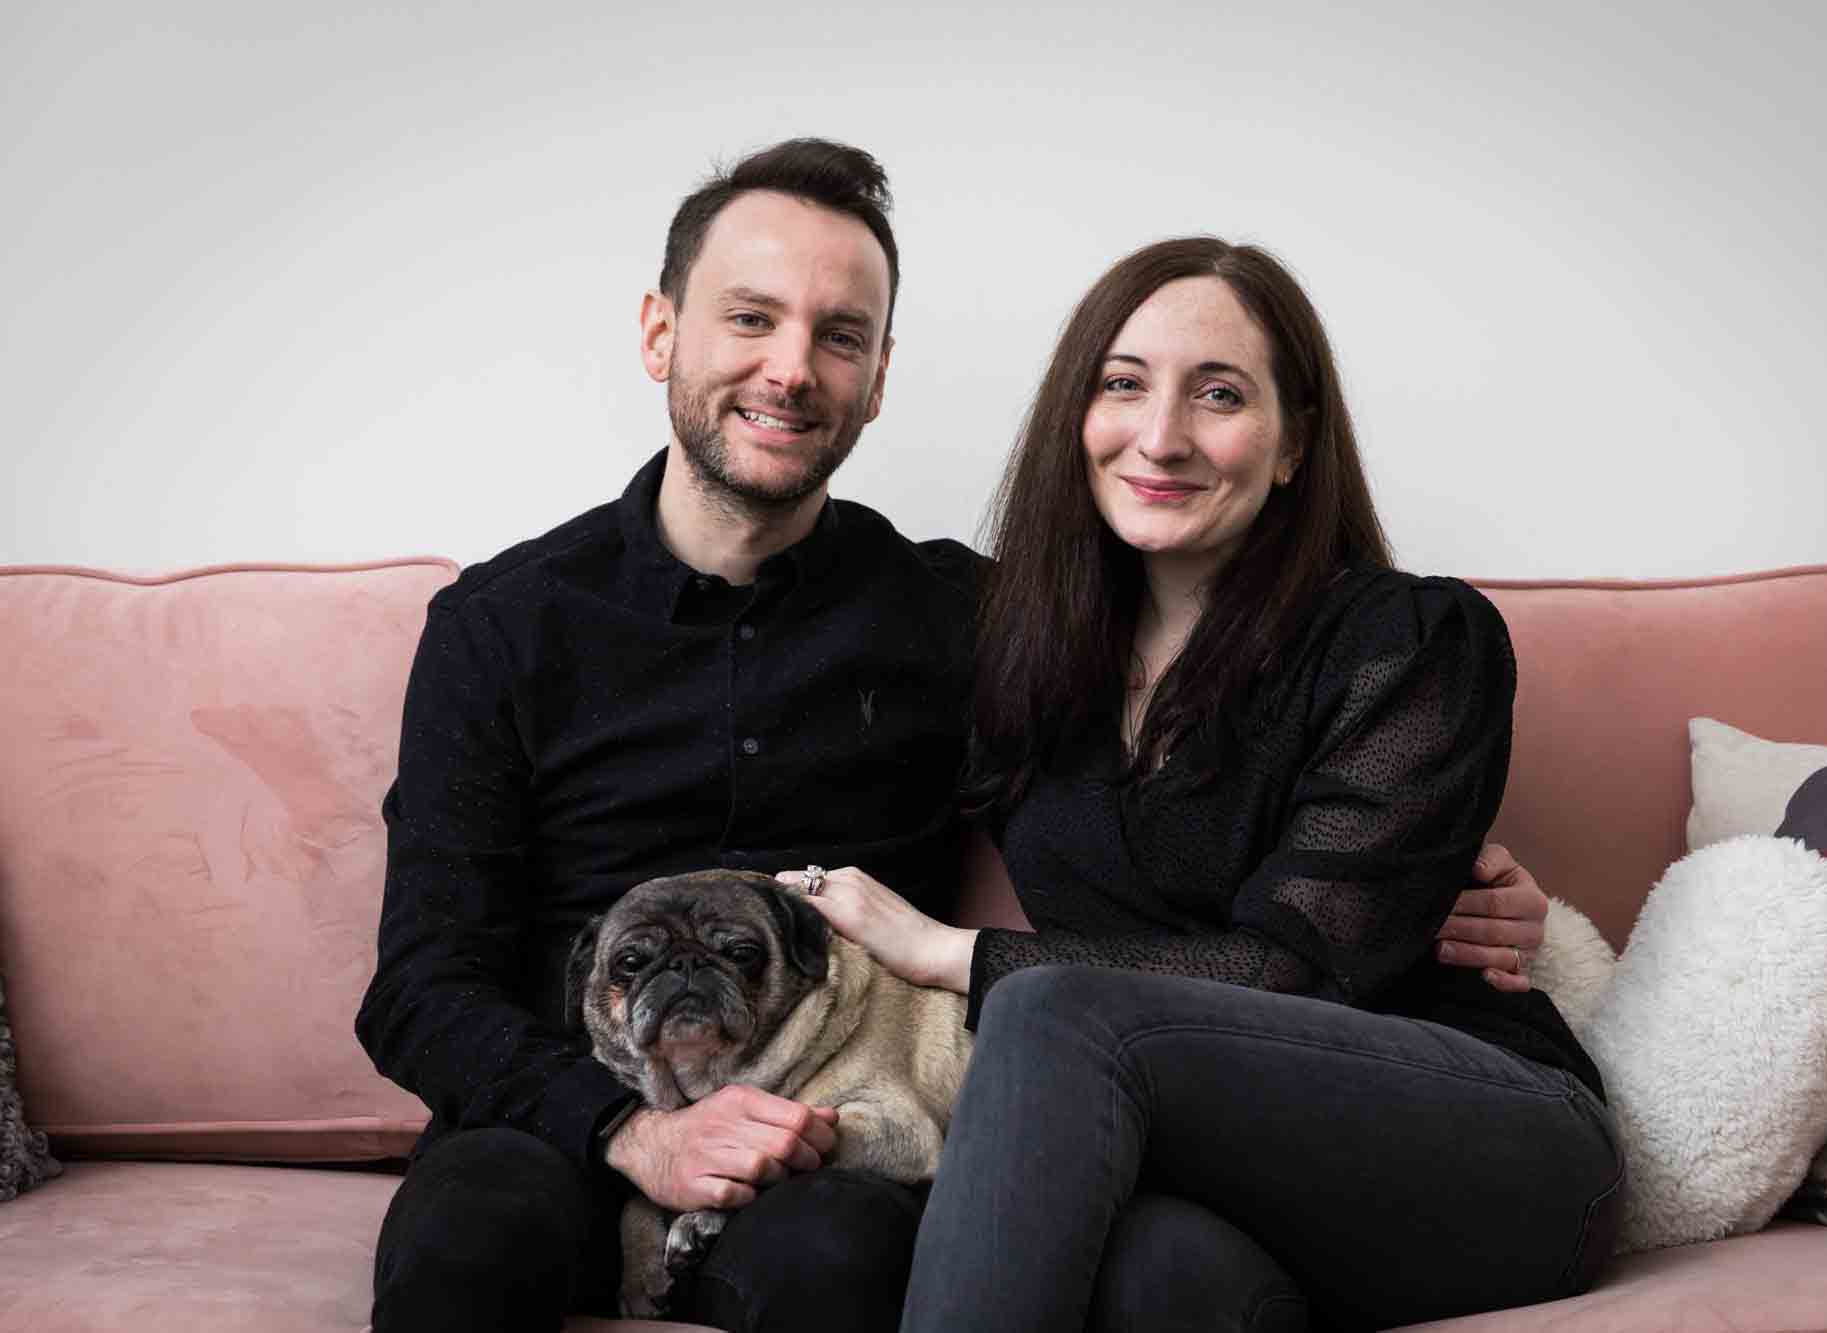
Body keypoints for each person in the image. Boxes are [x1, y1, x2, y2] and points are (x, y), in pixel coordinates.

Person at [356, 138, 1559, 1333]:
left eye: (838, 335)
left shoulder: (973, 625)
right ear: (660, 333)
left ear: (879, 377)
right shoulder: (501, 626)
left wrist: (1433, 877)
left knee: (836, 1264)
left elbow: (1259, 831)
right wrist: (631, 1130)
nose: (789, 369)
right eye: (750, 319)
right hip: (555, 1109)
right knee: (464, 1248)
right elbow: (419, 982)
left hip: (836, 1118)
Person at [788, 239, 1624, 1331]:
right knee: (1157, 1277)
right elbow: (769, 595)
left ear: (1290, 444)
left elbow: (1298, 974)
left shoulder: (1408, 639)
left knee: (1050, 1012)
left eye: (1217, 394)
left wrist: (948, 952)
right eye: (1122, 384)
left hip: (1487, 1145)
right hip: (1221, 1182)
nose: (1161, 436)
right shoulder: (1006, 644)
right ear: (1072, 418)